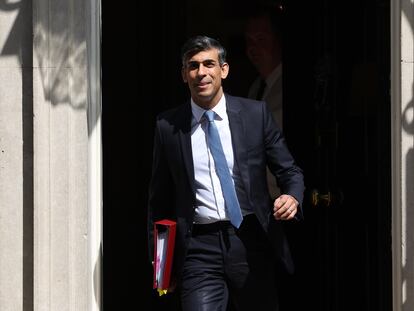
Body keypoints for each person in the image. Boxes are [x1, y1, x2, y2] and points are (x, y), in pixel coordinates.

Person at [147, 35, 304, 311]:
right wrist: (162, 268)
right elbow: (159, 201)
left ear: (224, 69)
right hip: (198, 247)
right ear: (184, 75)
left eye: (209, 64)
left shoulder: (255, 114)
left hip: (250, 238)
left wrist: (292, 196)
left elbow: (289, 170)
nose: (201, 73)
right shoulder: (168, 126)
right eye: (193, 66)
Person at [245, 4, 284, 199]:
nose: (253, 48)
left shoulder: (288, 90)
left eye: (261, 40)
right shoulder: (255, 88)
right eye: (250, 41)